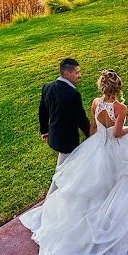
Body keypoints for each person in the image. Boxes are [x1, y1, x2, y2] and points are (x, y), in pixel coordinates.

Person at [21, 69, 128, 255]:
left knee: (91, 185)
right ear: (118, 87)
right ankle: (113, 226)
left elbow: (93, 128)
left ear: (102, 86)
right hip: (115, 148)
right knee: (126, 181)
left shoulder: (96, 103)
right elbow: (117, 133)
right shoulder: (120, 107)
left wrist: (94, 146)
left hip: (98, 145)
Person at [39, 58, 91, 195]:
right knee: (63, 171)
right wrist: (91, 136)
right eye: (77, 72)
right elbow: (81, 119)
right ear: (67, 74)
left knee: (66, 167)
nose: (79, 75)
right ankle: (50, 200)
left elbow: (42, 111)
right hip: (67, 141)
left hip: (54, 137)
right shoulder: (73, 94)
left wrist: (44, 131)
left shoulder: (47, 87)